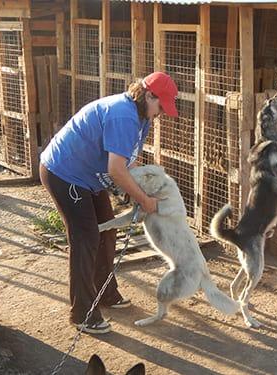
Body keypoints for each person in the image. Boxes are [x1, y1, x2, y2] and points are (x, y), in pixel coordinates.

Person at [39, 72, 178, 334]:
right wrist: (144, 200)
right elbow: (116, 170)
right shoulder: (123, 115)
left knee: (107, 227)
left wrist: (137, 191)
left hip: (90, 177)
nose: (161, 113)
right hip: (64, 172)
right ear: (149, 95)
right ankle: (82, 313)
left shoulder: (142, 117)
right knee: (86, 236)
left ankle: (105, 293)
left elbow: (130, 161)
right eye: (161, 106)